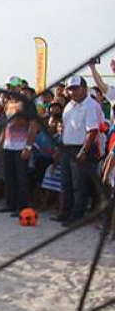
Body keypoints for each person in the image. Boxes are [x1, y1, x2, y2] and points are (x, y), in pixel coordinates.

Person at [57, 76, 102, 225]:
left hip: (81, 148)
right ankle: (66, 212)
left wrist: (83, 151)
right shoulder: (69, 106)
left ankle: (77, 216)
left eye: (75, 89)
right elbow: (65, 127)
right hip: (67, 148)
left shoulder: (90, 106)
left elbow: (93, 131)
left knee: (78, 184)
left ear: (84, 89)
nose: (72, 92)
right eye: (70, 89)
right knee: (66, 183)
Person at [0, 84, 39, 216]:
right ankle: (10, 204)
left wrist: (28, 146)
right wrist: (0, 143)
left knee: (22, 178)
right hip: (8, 146)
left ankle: (22, 207)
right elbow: (5, 126)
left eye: (13, 87)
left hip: (21, 146)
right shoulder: (8, 104)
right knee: (9, 177)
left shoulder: (27, 105)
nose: (10, 89)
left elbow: (33, 125)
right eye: (8, 87)